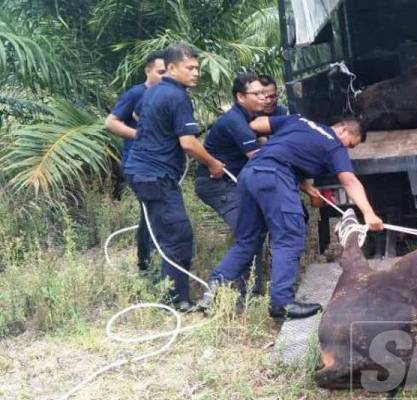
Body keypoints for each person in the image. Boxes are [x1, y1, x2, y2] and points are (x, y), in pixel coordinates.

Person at [207, 114, 384, 320]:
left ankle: (213, 290)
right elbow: (350, 182)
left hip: (250, 174)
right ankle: (282, 304)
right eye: (350, 145)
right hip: (275, 178)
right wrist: (369, 214)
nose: (347, 150)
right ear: (343, 130)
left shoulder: (299, 121)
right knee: (289, 238)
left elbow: (256, 125)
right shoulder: (333, 145)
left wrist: (275, 150)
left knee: (248, 239)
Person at [124, 42, 225, 312]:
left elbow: (136, 115)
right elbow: (189, 144)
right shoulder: (178, 97)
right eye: (190, 68)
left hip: (140, 171)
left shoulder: (153, 91)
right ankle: (175, 300)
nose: (196, 73)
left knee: (159, 230)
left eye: (197, 68)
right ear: (171, 68)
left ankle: (154, 280)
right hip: (156, 175)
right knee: (178, 235)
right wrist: (214, 164)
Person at [195, 72, 286, 303]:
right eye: (257, 94)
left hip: (235, 183)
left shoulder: (248, 118)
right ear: (240, 97)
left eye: (265, 94)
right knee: (249, 234)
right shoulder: (235, 121)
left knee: (254, 232)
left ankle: (250, 291)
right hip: (218, 185)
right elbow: (258, 157)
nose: (264, 98)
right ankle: (220, 291)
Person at [105, 50, 166, 271]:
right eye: (160, 71)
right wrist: (139, 135)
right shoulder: (136, 93)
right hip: (139, 164)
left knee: (151, 213)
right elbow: (111, 123)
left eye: (168, 71)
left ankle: (150, 262)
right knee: (150, 213)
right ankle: (146, 264)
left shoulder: (168, 94)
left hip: (160, 165)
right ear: (147, 70)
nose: (164, 75)